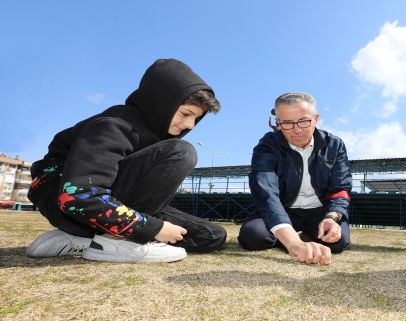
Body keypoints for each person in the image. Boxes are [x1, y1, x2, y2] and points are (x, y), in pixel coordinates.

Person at [25, 58, 227, 263]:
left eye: (196, 119)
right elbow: (77, 197)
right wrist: (152, 228)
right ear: (162, 102)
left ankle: (85, 240)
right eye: (186, 114)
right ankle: (117, 242)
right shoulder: (113, 126)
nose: (190, 125)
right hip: (69, 206)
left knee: (211, 235)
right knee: (182, 152)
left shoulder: (155, 136)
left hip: (106, 207)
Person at [238, 92, 352, 265]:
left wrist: (332, 217)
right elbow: (266, 192)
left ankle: (293, 236)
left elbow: (340, 188)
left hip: (320, 211)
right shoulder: (267, 145)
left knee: (337, 242)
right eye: (287, 123)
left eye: (304, 121)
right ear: (278, 122)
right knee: (253, 236)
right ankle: (292, 236)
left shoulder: (335, 145)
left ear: (315, 118)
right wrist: (293, 243)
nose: (297, 130)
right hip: (283, 209)